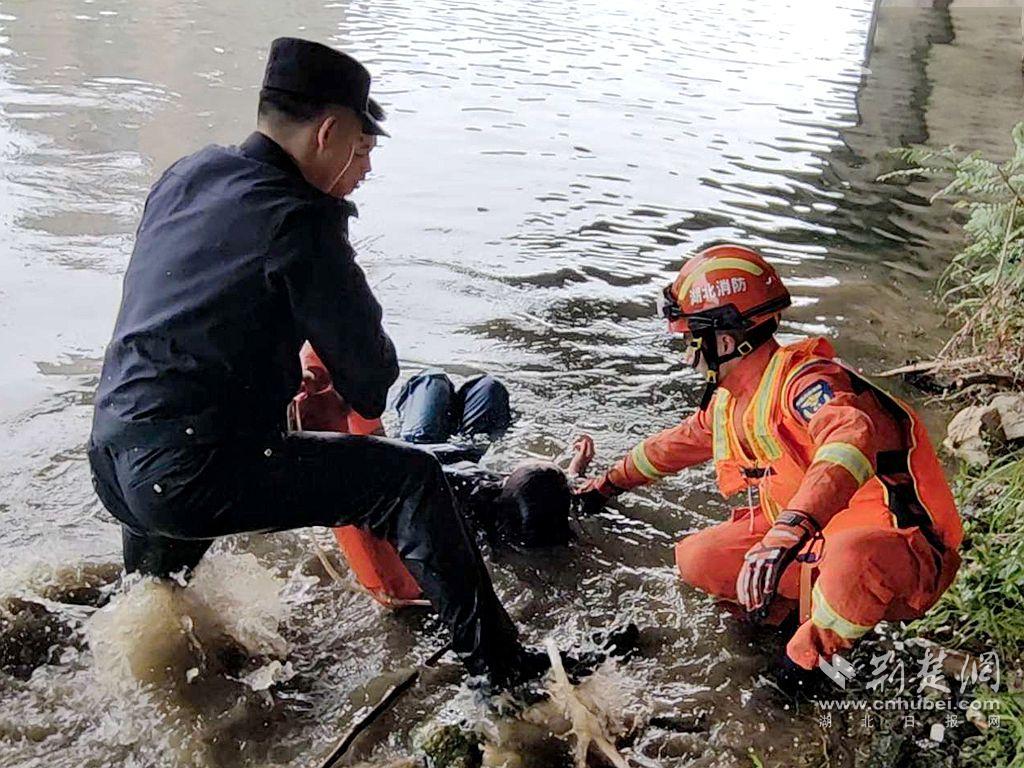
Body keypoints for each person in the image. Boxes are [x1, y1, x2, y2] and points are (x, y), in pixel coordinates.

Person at [87, 37, 538, 689]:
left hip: (113, 457)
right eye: (360, 143)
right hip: (189, 472)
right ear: (329, 131)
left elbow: (184, 312)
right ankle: (509, 677)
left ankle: (130, 664)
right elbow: (371, 382)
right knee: (410, 480)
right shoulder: (302, 219)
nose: (362, 164)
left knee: (153, 600)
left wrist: (270, 363)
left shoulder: (187, 174)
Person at [577, 244, 963, 673]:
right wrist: (607, 484)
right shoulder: (735, 400)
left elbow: (849, 435)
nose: (689, 355)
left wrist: (785, 532)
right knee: (699, 557)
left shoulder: (809, 383)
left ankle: (808, 663)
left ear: (724, 340)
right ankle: (782, 615)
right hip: (817, 539)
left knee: (852, 557)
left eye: (691, 340)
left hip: (901, 551)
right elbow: (672, 446)